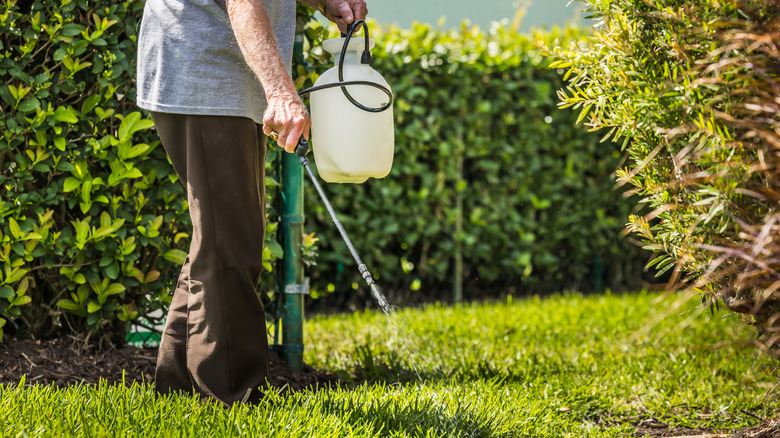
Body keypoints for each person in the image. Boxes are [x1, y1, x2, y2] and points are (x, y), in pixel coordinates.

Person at [136, 0, 368, 406]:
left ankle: (180, 390)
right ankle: (233, 399)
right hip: (205, 76)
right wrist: (279, 91)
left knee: (219, 239)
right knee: (230, 243)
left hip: (224, 81)